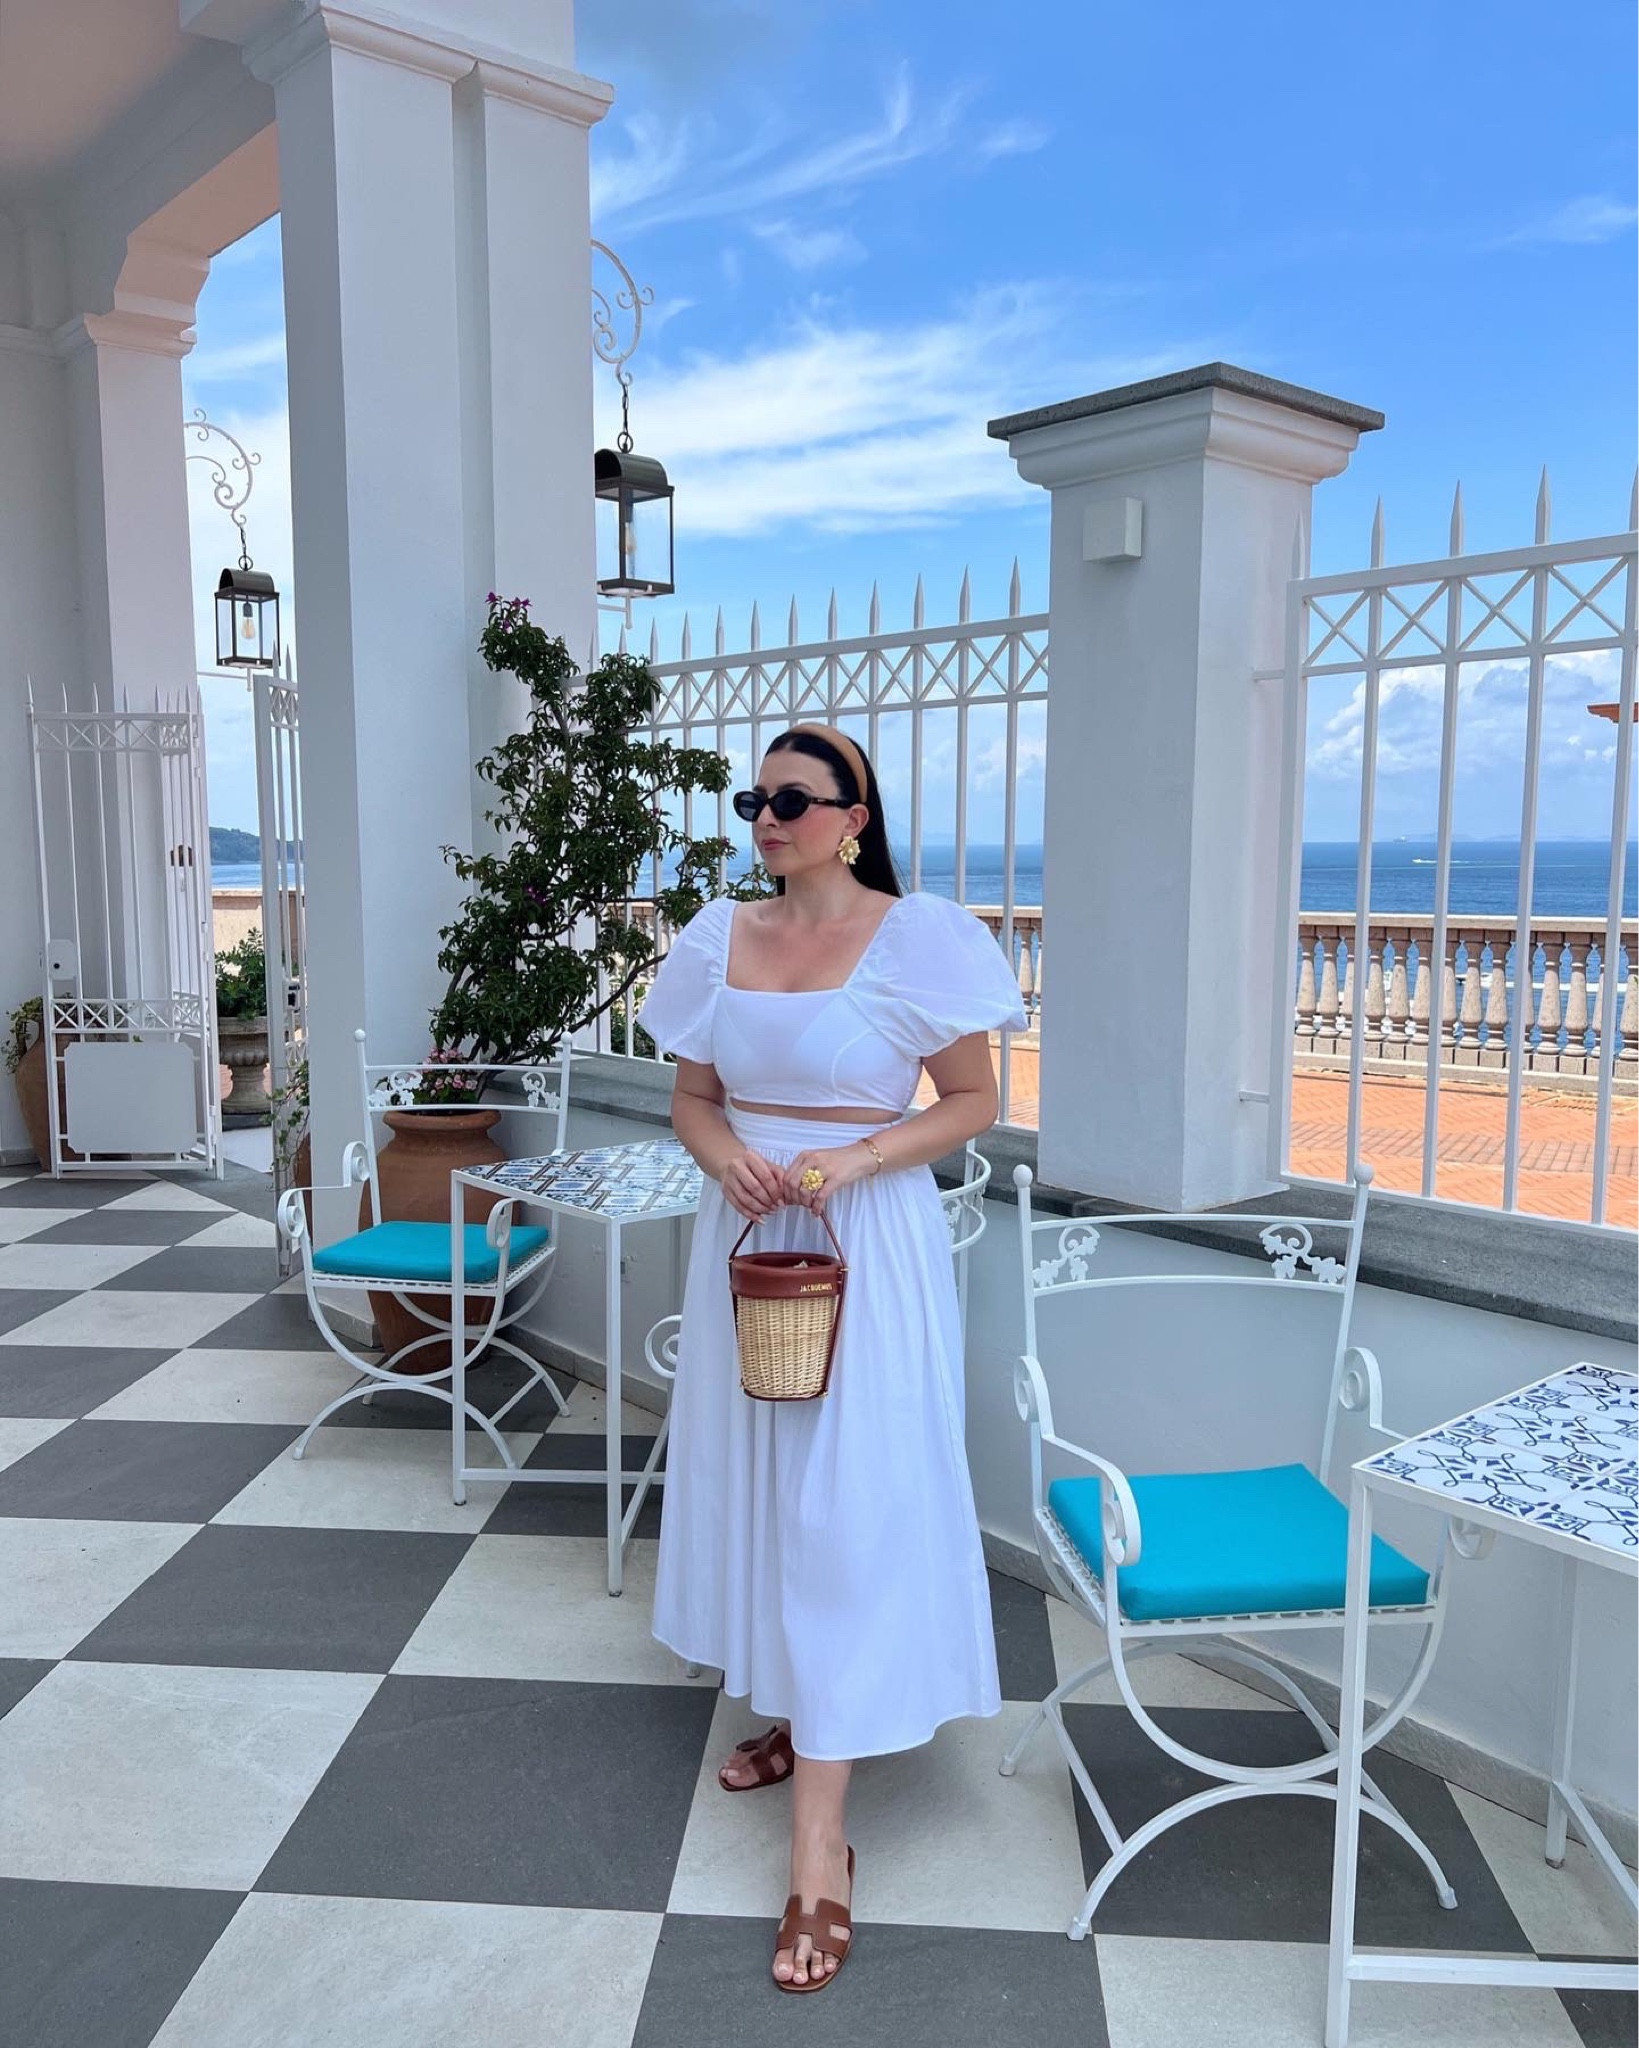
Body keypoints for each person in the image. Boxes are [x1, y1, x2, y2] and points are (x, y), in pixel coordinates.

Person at [635, 723, 1027, 1993]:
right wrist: (725, 1157)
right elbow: (694, 1098)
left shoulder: (919, 940)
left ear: (853, 815)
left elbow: (972, 1101)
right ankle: (803, 1712)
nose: (767, 815)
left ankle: (820, 1844)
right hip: (747, 1238)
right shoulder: (718, 938)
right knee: (764, 1486)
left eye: (793, 798)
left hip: (867, 1244)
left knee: (849, 1506)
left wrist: (855, 1157)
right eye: (756, 796)